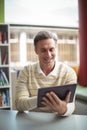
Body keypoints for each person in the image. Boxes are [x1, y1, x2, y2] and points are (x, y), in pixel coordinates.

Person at [15, 31, 77, 116]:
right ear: (36, 50)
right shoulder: (26, 72)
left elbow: (71, 106)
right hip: (33, 122)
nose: (48, 55)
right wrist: (44, 99)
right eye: (43, 50)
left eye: (51, 49)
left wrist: (63, 109)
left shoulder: (69, 73)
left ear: (56, 48)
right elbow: (19, 104)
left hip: (58, 121)